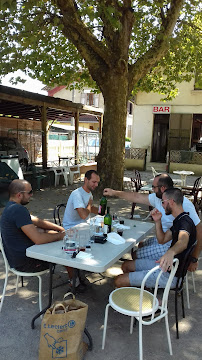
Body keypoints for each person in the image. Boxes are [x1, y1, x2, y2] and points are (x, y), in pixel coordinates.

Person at [103, 173, 202, 272]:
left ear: (163, 188)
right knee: (140, 244)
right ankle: (143, 269)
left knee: (135, 254)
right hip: (165, 237)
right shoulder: (159, 197)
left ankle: (144, 275)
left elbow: (198, 230)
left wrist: (194, 258)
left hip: (170, 245)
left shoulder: (183, 204)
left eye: (154, 187)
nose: (152, 189)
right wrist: (114, 192)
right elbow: (136, 197)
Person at [115, 188, 196, 288]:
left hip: (170, 276)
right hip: (165, 267)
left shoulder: (185, 223)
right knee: (126, 265)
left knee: (119, 281)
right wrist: (157, 221)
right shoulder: (178, 220)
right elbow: (162, 240)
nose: (162, 205)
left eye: (163, 202)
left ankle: (146, 298)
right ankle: (145, 292)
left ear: (171, 202)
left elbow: (183, 242)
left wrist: (170, 252)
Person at [1, 179, 65, 272]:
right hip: (27, 263)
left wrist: (59, 228)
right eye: (29, 192)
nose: (31, 195)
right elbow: (38, 239)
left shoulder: (10, 207)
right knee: (66, 250)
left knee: (46, 232)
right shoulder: (18, 210)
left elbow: (38, 222)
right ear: (19, 195)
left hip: (16, 260)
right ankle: (74, 281)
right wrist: (61, 235)